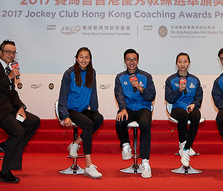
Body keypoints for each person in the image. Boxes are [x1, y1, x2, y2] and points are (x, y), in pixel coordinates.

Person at [0, 40, 41, 183]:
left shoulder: (10, 70)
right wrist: (9, 78)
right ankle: (5, 172)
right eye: (8, 52)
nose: (11, 55)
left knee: (34, 121)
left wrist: (21, 107)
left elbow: (13, 94)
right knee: (18, 132)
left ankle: (7, 145)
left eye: (13, 52)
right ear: (0, 52)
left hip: (10, 109)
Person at [57, 47, 104, 179]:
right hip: (71, 109)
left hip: (83, 109)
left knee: (99, 119)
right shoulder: (69, 73)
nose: (84, 60)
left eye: (86, 57)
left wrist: (94, 109)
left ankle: (76, 143)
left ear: (90, 59)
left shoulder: (92, 72)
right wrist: (64, 115)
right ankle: (88, 165)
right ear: (76, 58)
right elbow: (63, 95)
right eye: (81, 57)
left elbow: (93, 93)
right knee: (88, 124)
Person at [114, 48, 156, 178]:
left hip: (143, 108)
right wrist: (123, 108)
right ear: (124, 61)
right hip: (128, 108)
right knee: (120, 119)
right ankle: (126, 144)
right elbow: (119, 95)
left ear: (137, 61)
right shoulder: (120, 77)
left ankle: (145, 162)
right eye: (128, 59)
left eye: (134, 59)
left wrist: (139, 88)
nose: (131, 62)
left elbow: (151, 97)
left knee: (145, 124)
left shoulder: (146, 76)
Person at [164, 52, 204, 167]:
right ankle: (183, 143)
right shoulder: (171, 80)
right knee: (183, 116)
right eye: (180, 62)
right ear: (176, 64)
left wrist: (194, 104)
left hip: (191, 107)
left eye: (185, 62)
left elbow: (199, 97)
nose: (182, 64)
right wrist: (179, 90)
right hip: (177, 107)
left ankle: (185, 148)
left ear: (189, 63)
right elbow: (169, 99)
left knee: (196, 116)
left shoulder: (195, 80)